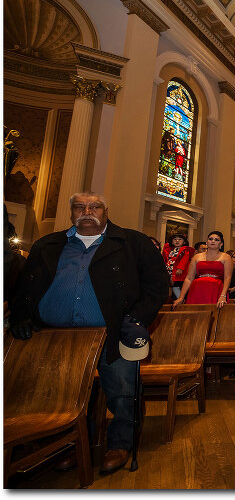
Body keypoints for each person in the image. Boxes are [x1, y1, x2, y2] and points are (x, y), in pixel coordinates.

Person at [8, 191, 168, 473]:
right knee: (67, 393)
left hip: (114, 332)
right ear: (71, 212)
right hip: (58, 337)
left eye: (94, 206)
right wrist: (22, 315)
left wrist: (137, 319)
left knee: (121, 392)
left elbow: (156, 285)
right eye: (79, 206)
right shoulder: (48, 244)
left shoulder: (132, 242)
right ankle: (75, 444)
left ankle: (120, 443)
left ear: (106, 211)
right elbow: (26, 286)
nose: (87, 211)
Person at [173, 231, 233, 308]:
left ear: (221, 244)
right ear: (206, 242)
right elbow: (189, 278)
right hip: (197, 289)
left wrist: (223, 295)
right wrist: (181, 297)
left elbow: (227, 278)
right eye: (210, 239)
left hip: (216, 289)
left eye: (216, 240)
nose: (213, 241)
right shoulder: (197, 257)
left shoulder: (226, 257)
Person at [162, 232, 194, 299]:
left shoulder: (185, 250)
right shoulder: (170, 250)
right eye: (175, 239)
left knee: (178, 285)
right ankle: (178, 298)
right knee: (172, 286)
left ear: (184, 242)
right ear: (172, 242)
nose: (177, 241)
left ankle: (181, 298)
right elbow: (165, 259)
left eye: (180, 239)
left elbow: (185, 259)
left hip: (179, 273)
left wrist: (180, 268)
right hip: (170, 271)